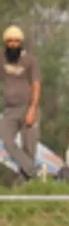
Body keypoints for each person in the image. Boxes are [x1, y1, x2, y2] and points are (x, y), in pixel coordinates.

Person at [0, 25, 40, 181]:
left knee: (29, 147)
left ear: (21, 43)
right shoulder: (1, 58)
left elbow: (36, 85)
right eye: (10, 41)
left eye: (16, 41)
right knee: (7, 141)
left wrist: (33, 109)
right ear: (5, 42)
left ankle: (28, 185)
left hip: (27, 108)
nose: (13, 44)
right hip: (9, 109)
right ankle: (33, 171)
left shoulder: (30, 60)